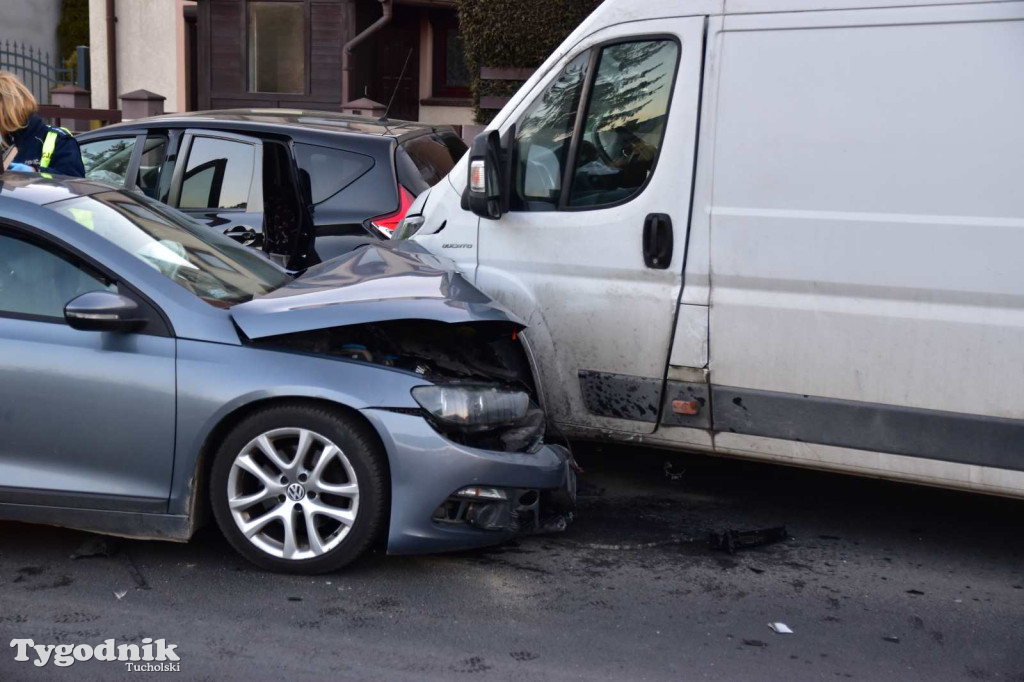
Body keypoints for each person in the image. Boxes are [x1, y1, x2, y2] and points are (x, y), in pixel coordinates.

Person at [0, 71, 85, 177]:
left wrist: (36, 172)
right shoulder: (4, 141)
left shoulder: (60, 140)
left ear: (8, 109)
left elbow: (74, 182)